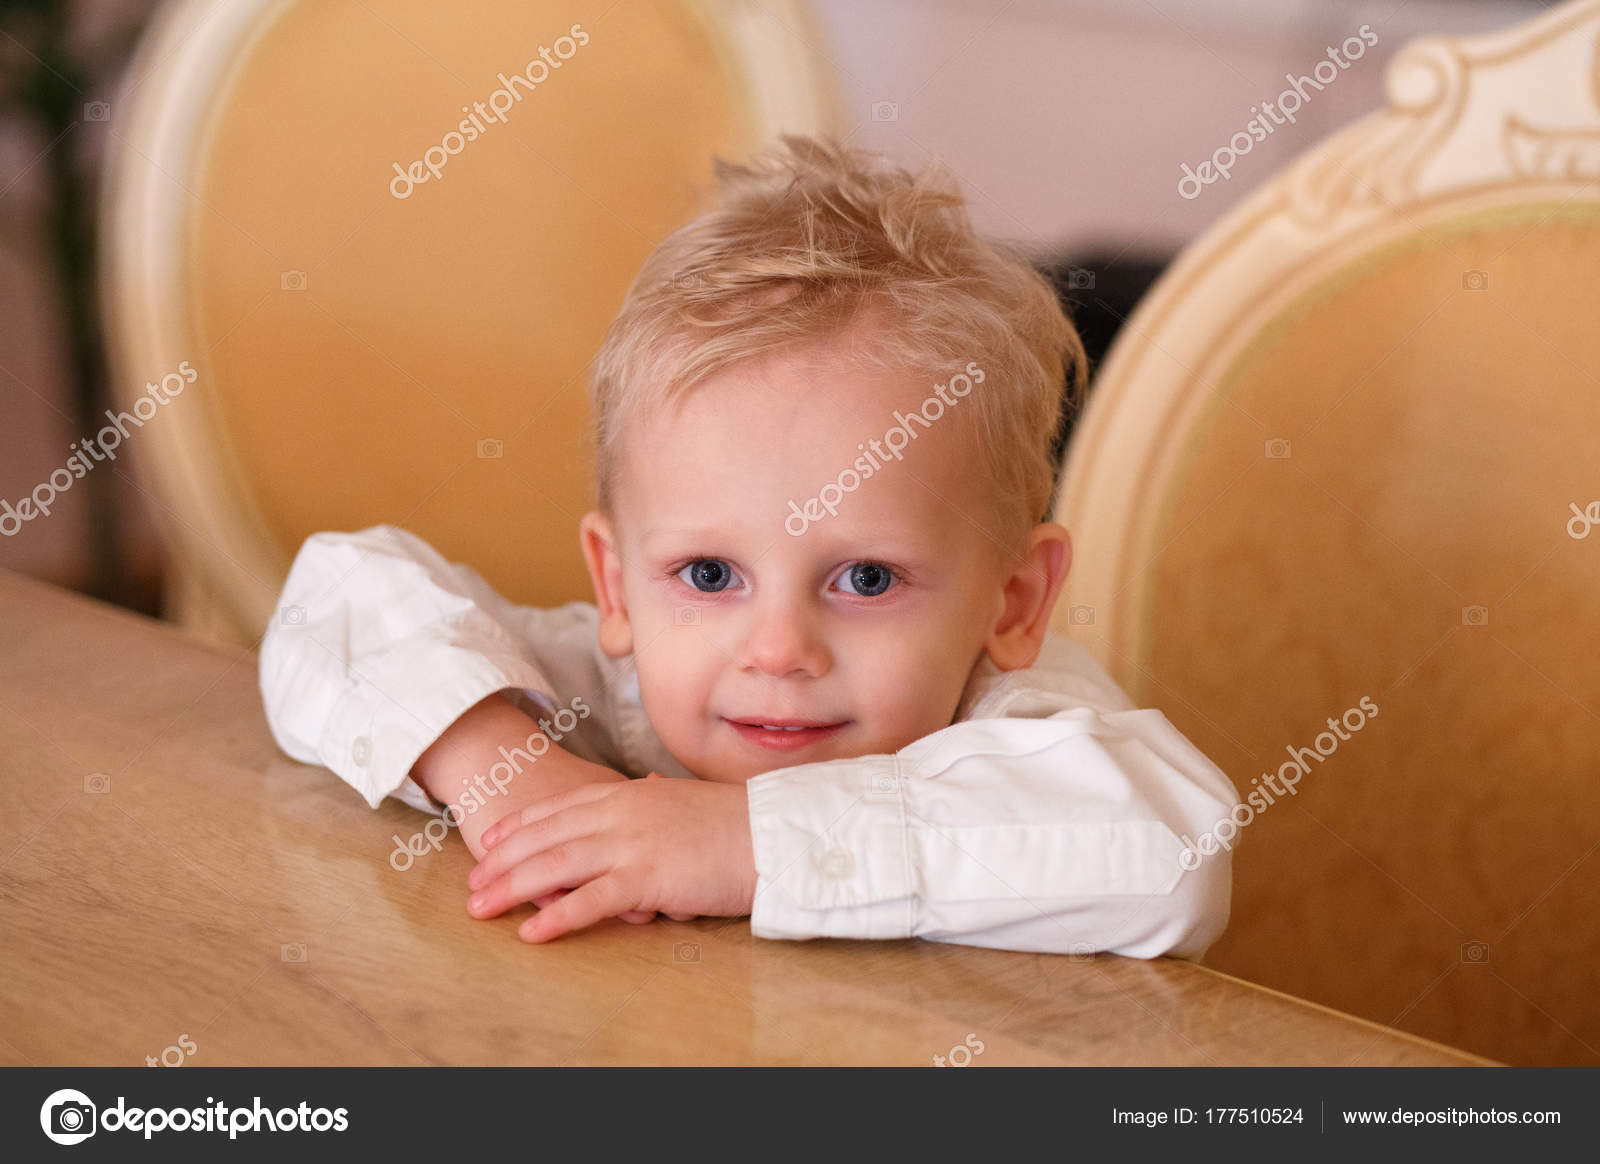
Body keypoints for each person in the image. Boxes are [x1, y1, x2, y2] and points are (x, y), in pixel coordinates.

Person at [259, 135, 1237, 958]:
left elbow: (1174, 856)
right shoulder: (602, 698)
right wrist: (503, 768)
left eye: (864, 578)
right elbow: (335, 597)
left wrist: (746, 842)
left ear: (1012, 603)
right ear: (617, 585)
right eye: (710, 575)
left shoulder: (1023, 729)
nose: (777, 650)